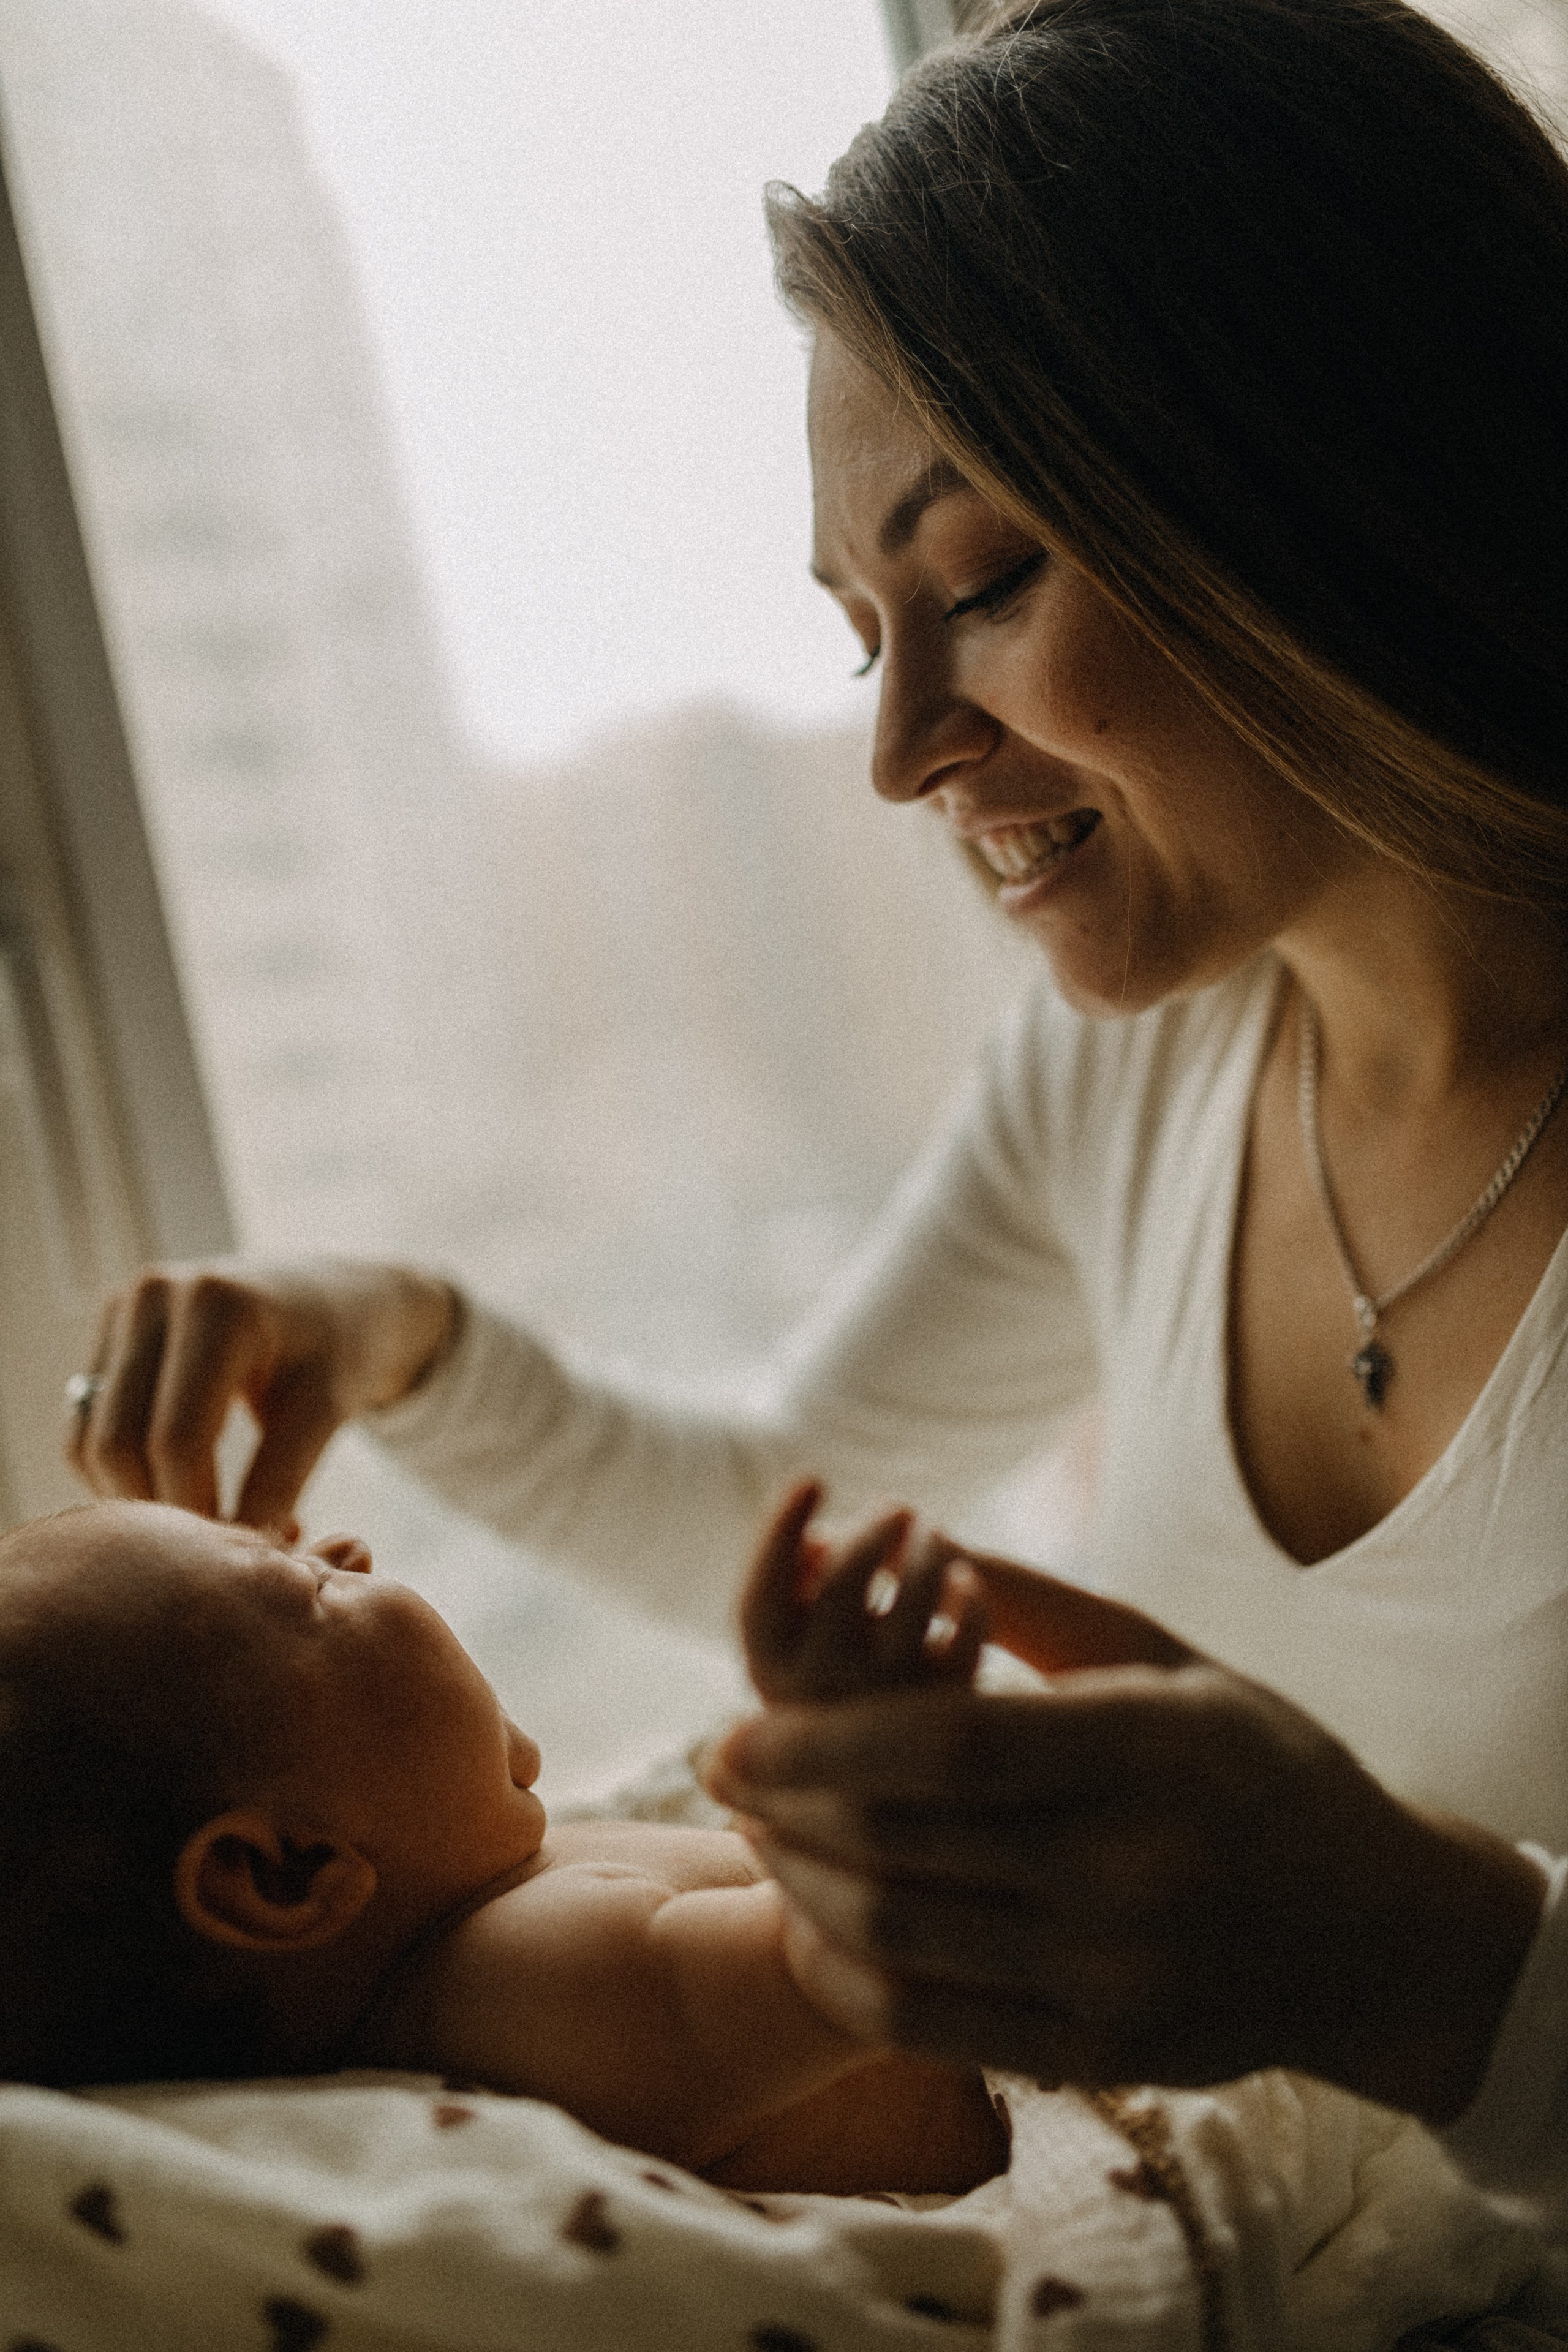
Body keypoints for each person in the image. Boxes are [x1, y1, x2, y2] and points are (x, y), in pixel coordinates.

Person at [66, 0, 1568, 2241]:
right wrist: (402, 1340)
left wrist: (1434, 1973)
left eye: (979, 587)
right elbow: (790, 1514)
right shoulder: (1142, 1055)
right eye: (862, 626)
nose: (899, 749)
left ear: (1329, 482)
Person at [0, 1484, 1012, 2195]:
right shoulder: (540, 1986)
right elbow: (853, 1950)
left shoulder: (477, 1920)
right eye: (307, 1588)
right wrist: (858, 1758)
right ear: (284, 1871)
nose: (348, 1550)